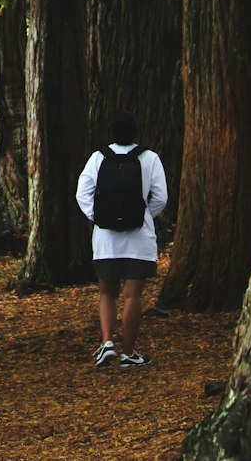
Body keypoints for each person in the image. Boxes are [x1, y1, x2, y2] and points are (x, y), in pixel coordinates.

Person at [76, 110, 168, 369]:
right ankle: (128, 352)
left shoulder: (98, 158)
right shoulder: (149, 158)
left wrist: (99, 216)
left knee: (107, 291)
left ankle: (107, 343)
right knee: (132, 295)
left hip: (105, 239)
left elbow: (82, 193)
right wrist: (143, 216)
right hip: (139, 238)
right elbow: (161, 197)